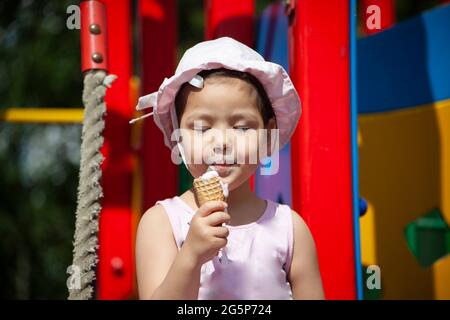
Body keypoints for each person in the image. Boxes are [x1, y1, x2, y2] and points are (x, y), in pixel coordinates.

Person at [133, 37, 324, 300]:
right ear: (178, 136)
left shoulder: (289, 228)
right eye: (202, 128)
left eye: (242, 127)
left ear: (268, 135)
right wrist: (191, 256)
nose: (222, 142)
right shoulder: (162, 223)